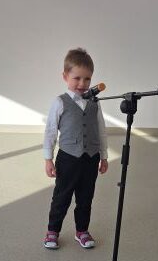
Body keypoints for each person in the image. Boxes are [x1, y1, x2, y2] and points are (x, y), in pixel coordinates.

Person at [42, 48, 108, 250]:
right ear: (65, 76)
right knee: (61, 196)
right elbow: (50, 131)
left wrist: (104, 156)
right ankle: (53, 230)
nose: (82, 84)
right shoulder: (60, 102)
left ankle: (82, 230)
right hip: (68, 158)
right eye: (77, 78)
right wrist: (48, 158)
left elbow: (101, 130)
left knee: (86, 198)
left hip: (91, 158)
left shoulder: (95, 102)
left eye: (87, 79)